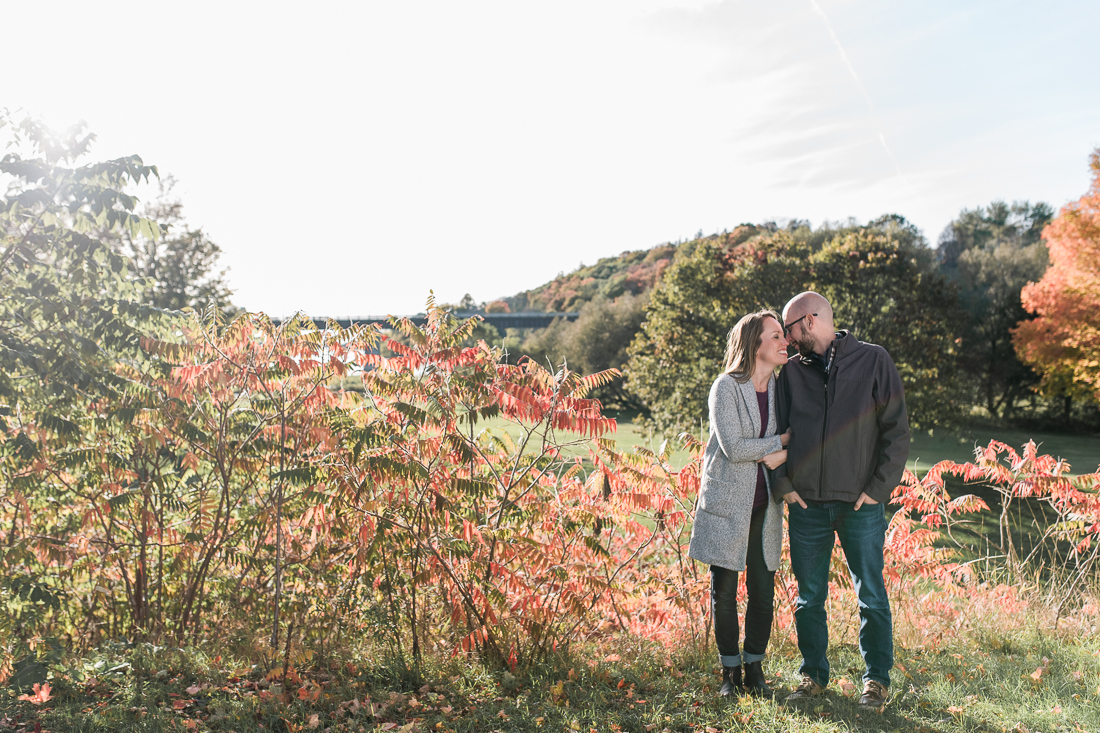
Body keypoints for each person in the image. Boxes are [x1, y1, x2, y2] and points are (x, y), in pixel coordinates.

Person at [772, 292, 910, 713]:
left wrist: (877, 490)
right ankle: (813, 675)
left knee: (871, 594)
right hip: (807, 506)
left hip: (860, 505)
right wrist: (784, 485)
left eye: (791, 331)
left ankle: (876, 682)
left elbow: (896, 431)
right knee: (808, 596)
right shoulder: (790, 374)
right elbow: (773, 432)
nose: (789, 341)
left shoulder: (874, 361)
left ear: (810, 321)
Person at [688, 310, 791, 697]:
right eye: (776, 336)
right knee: (725, 592)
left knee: (763, 594)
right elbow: (733, 447)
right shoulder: (726, 387)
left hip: (766, 505)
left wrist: (785, 449)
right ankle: (729, 674)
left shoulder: (784, 389)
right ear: (755, 344)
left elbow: (804, 433)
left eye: (784, 336)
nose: (785, 343)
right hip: (728, 502)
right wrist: (780, 445)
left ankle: (755, 669)